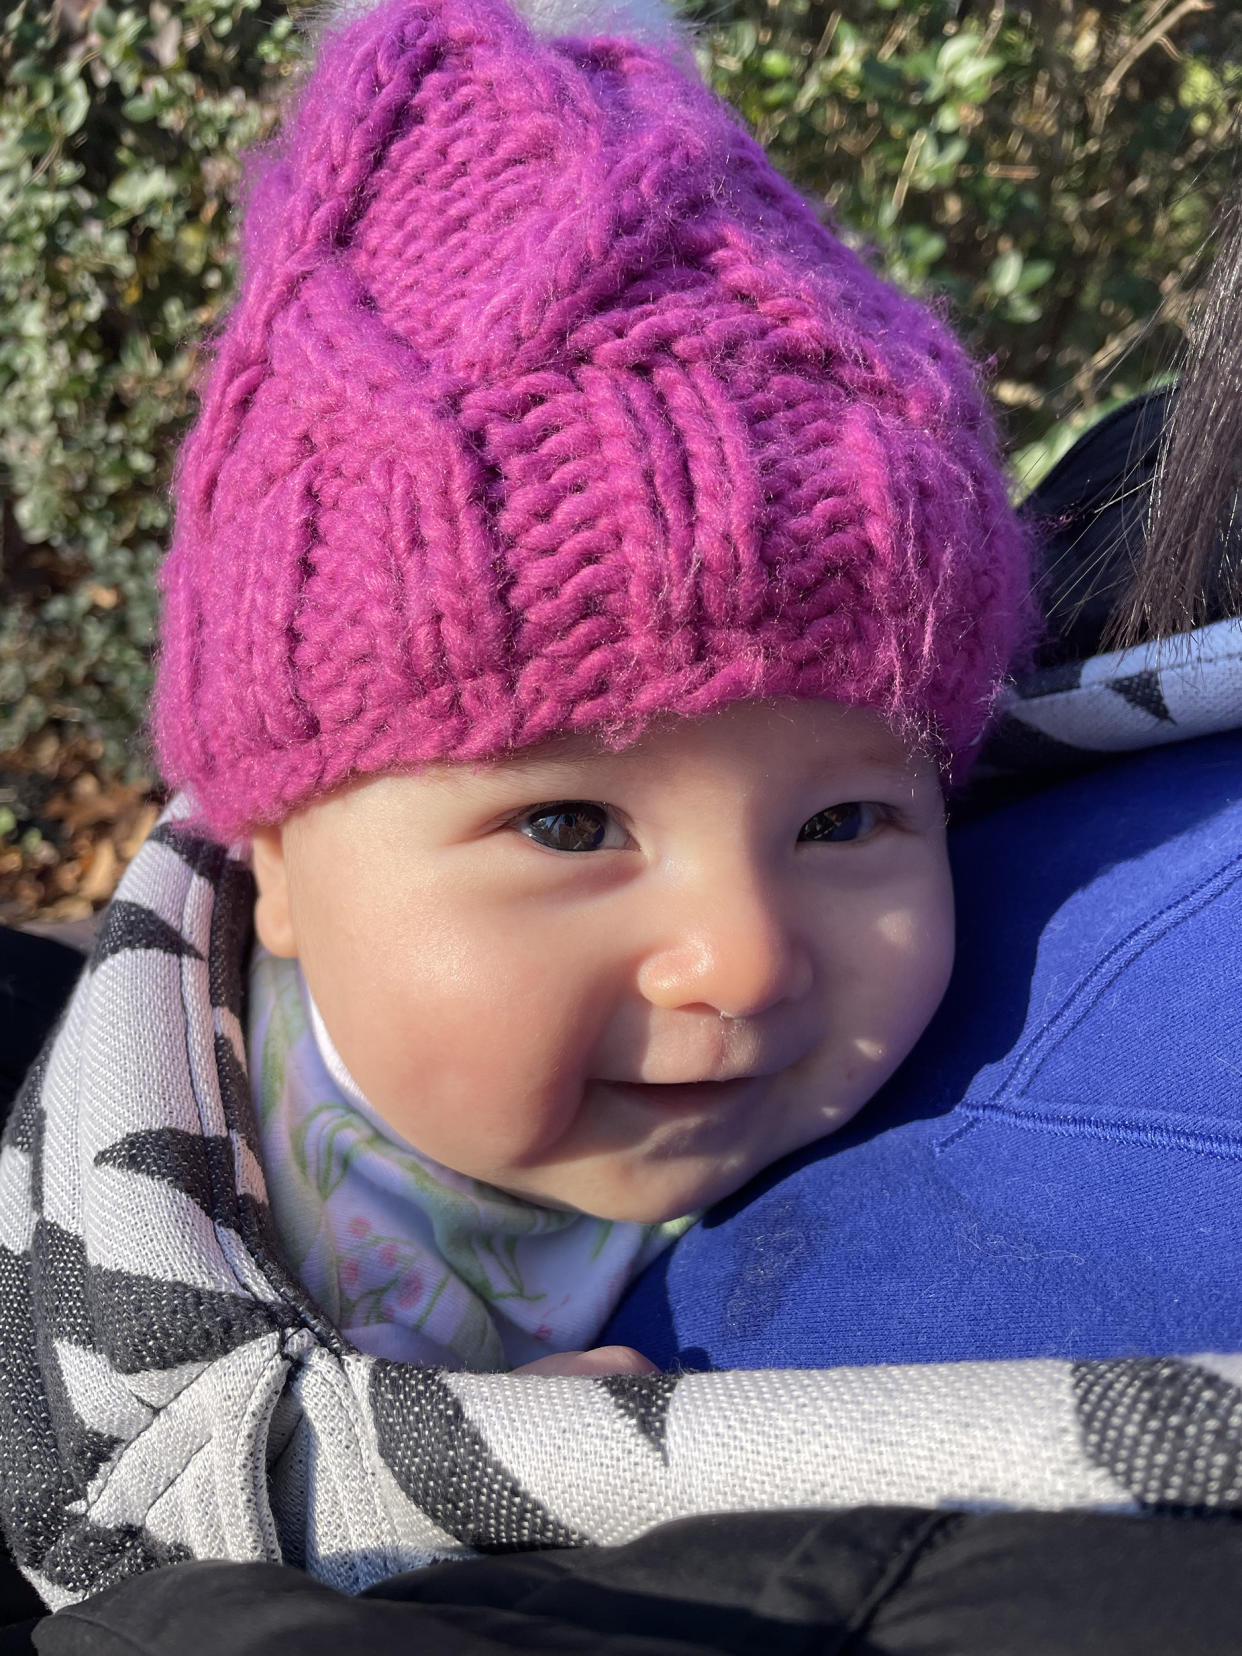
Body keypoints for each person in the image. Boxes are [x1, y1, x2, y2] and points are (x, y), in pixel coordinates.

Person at [6, 0, 1236, 1626]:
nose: (737, 963)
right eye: (574, 827)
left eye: (847, 823)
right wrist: (431, 1493)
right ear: (277, 867)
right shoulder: (220, 1210)